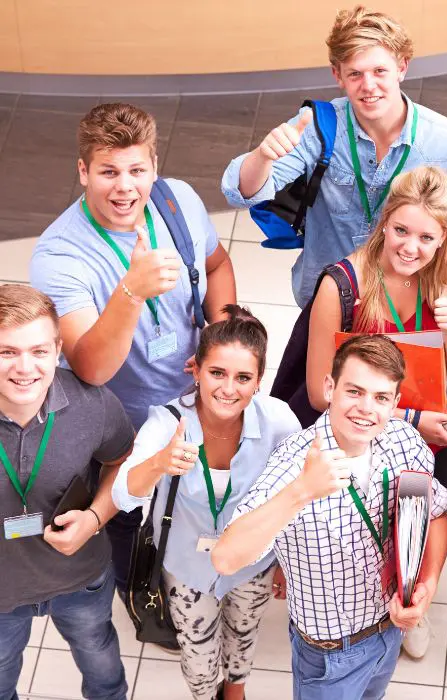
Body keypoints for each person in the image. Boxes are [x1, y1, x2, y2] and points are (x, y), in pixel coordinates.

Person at [29, 103, 236, 624]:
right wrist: (131, 290)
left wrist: (223, 324)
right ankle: (142, 593)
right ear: (82, 171)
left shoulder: (177, 200)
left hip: (196, 401)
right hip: (124, 427)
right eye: (108, 171)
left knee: (198, 498)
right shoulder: (59, 257)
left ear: (155, 165)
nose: (125, 187)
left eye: (137, 170)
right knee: (128, 517)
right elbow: (89, 367)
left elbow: (217, 262)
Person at [212, 334, 447, 700]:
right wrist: (302, 491)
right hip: (330, 656)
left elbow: (435, 514)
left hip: (390, 631)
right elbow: (225, 557)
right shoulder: (293, 463)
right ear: (330, 387)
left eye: (381, 397)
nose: (366, 409)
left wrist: (428, 585)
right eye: (354, 392)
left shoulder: (405, 440)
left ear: (395, 403)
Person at [305, 166, 447, 658]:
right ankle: (360, 607)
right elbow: (320, 391)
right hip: (358, 437)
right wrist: (408, 420)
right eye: (401, 230)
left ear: (445, 239)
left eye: (427, 237)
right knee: (363, 527)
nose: (410, 248)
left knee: (415, 526)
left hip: (430, 438)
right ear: (384, 222)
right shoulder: (342, 286)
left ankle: (407, 602)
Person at [222, 5, 447, 308]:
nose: (368, 86)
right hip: (326, 299)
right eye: (355, 73)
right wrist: (264, 157)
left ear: (402, 67)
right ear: (338, 75)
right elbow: (240, 194)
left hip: (407, 305)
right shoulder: (317, 126)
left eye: (379, 71)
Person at [112, 305, 301, 700]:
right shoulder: (167, 423)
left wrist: (285, 561)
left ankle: (235, 690)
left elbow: (294, 498)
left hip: (253, 562)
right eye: (217, 373)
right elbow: (123, 493)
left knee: (244, 632)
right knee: (197, 653)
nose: (228, 389)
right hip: (186, 567)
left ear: (258, 382)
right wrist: (159, 463)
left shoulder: (279, 421)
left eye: (243, 377)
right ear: (196, 370)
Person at [0, 284, 135, 700]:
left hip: (80, 578)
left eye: (39, 351)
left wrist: (95, 517)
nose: (25, 368)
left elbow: (121, 460)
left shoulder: (92, 404)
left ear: (58, 349)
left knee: (103, 670)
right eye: (7, 351)